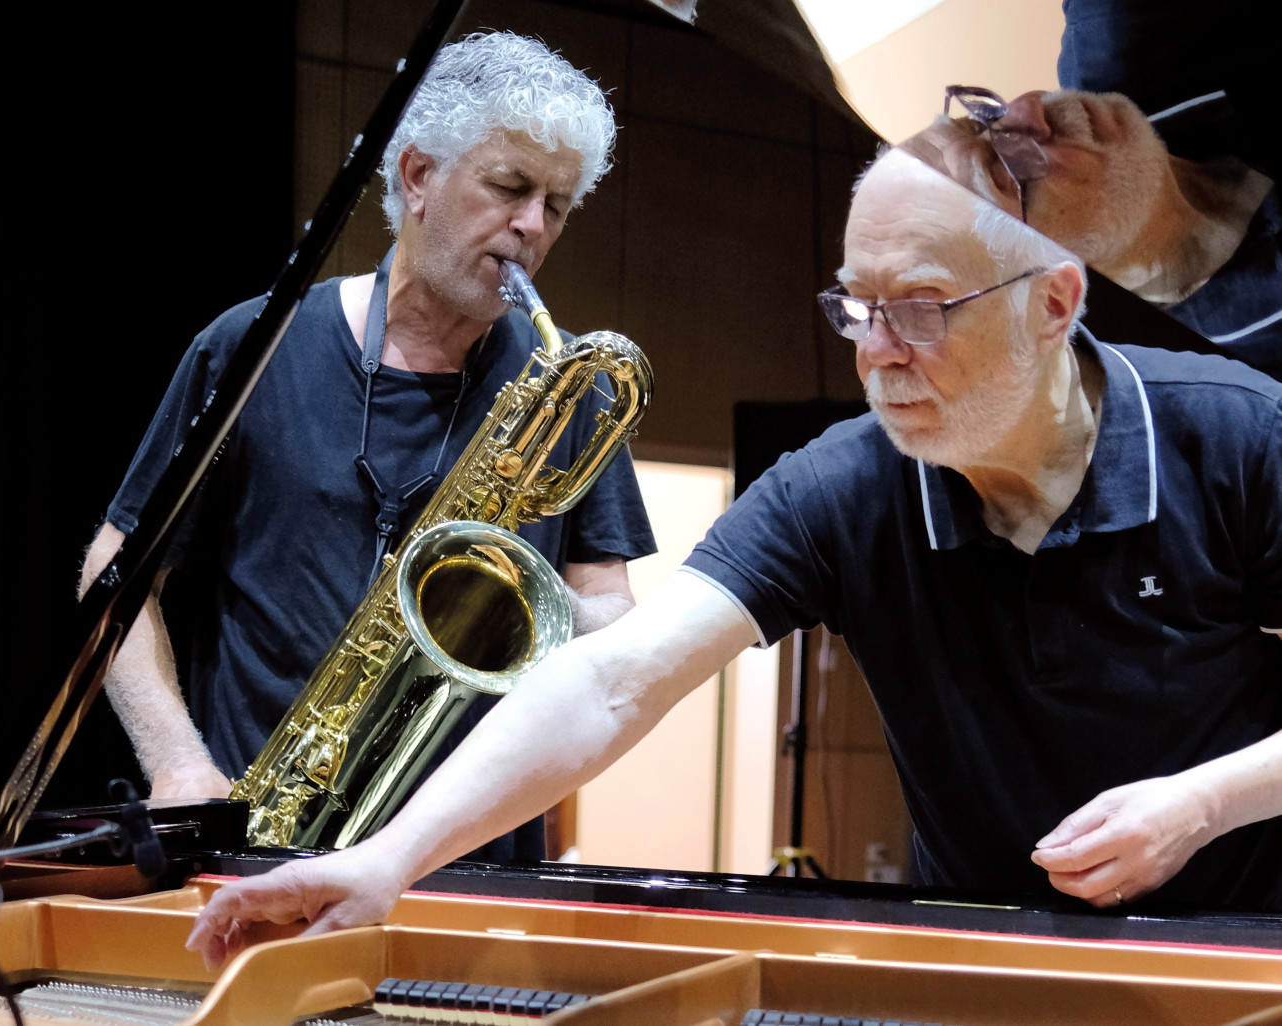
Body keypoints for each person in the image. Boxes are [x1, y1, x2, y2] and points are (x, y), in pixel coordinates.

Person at [187, 148, 1282, 969]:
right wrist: (390, 859)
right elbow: (615, 681)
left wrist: (1202, 803)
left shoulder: (1237, 437)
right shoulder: (845, 482)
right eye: (854, 306)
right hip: (978, 954)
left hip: (1238, 958)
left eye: (916, 309)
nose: (874, 353)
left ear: (1053, 304)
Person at [79, 31, 656, 863]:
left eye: (557, 205)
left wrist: (529, 625)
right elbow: (116, 565)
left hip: (471, 857)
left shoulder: (569, 385)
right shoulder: (252, 346)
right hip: (264, 843)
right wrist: (176, 762)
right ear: (417, 175)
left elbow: (606, 601)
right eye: (509, 187)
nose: (532, 225)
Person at [901, 86, 1282, 378]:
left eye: (981, 118)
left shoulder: (1118, 41)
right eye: (1005, 166)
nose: (1028, 106)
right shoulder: (1257, 372)